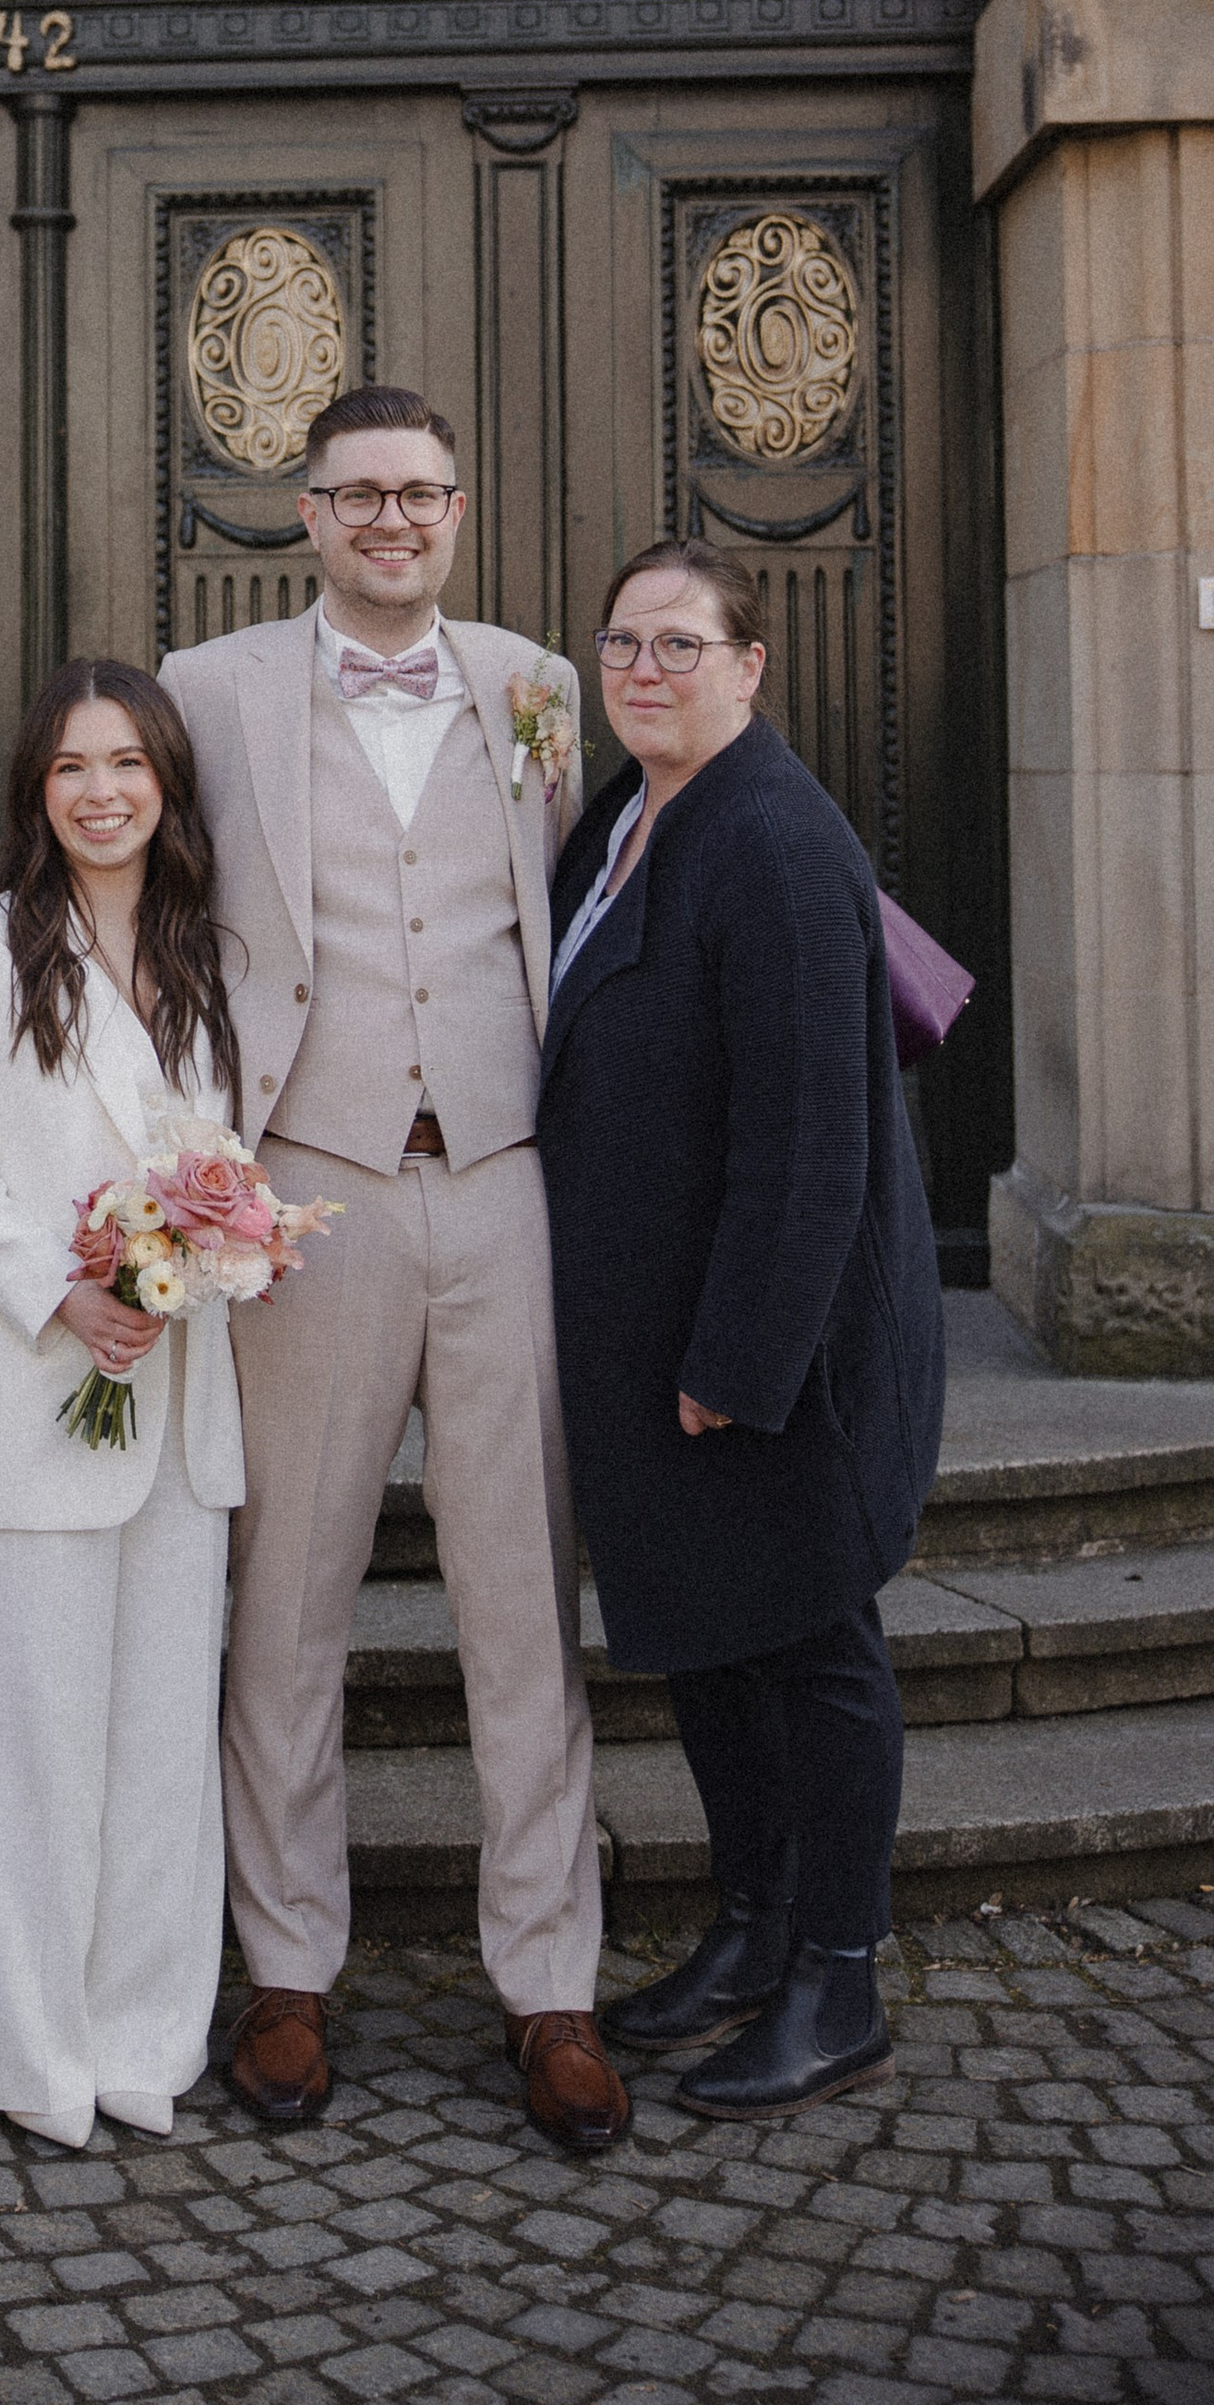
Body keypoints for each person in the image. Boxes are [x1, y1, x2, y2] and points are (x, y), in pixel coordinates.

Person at [161, 383, 623, 2150]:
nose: (393, 523)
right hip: (310, 1186)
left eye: (422, 494)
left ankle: (553, 1989)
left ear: (456, 507)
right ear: (305, 513)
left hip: (505, 1180)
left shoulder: (536, 688)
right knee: (291, 1597)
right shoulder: (211, 694)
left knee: (525, 1602)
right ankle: (288, 1970)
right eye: (360, 496)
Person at [540, 539, 945, 2119]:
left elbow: (811, 1142)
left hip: (768, 1350)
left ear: (750, 663)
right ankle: (753, 1930)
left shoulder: (773, 839)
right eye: (626, 645)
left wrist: (741, 1362)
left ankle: (838, 1977)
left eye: (682, 646)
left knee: (812, 1649)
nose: (647, 671)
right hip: (648, 1328)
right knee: (711, 1645)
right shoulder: (626, 815)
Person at [0, 659, 245, 2153]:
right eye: (70, 768)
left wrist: (231, 1246)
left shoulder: (210, 957)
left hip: (180, 1403)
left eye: (128, 764)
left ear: (166, 782)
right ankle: (30, 2056)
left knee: (165, 1756)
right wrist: (65, 1287)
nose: (102, 791)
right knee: (38, 1754)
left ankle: (141, 2046)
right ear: (35, 795)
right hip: (39, 1387)